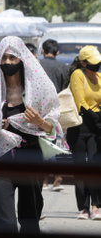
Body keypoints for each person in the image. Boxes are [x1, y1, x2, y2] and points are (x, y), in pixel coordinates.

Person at [0, 36, 67, 234]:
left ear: (22, 59)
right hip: (1, 159)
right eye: (4, 58)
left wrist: (39, 122)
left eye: (12, 58)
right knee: (4, 221)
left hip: (30, 158)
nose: (7, 62)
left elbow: (53, 128)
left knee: (30, 218)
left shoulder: (40, 89)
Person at [66, 45, 101, 220]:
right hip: (79, 127)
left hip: (96, 129)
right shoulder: (77, 75)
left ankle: (96, 205)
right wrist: (97, 119)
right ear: (83, 63)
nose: (97, 66)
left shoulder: (100, 77)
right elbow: (81, 103)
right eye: (93, 63)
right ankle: (84, 208)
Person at [39, 39, 70, 192]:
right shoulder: (63, 68)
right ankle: (56, 175)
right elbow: (66, 89)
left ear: (43, 51)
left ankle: (45, 179)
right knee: (56, 142)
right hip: (56, 110)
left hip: (39, 110)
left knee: (42, 143)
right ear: (57, 52)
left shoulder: (37, 65)